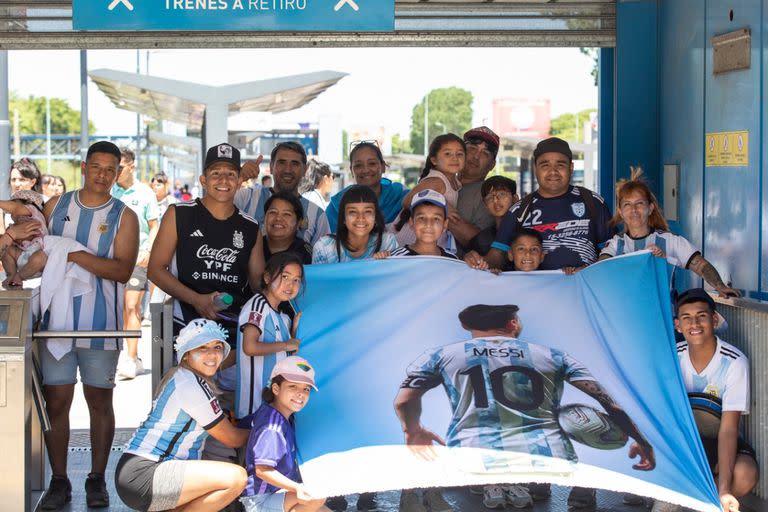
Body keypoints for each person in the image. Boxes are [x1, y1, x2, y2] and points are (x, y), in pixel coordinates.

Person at [393, 304, 655, 511]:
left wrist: (413, 430)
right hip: (548, 458)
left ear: (465, 325)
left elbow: (403, 401)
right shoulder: (553, 355)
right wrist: (640, 440)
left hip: (470, 455)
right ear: (513, 324)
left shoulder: (441, 355)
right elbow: (608, 402)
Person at [38, 140, 139, 510]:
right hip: (55, 325)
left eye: (110, 169)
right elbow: (36, 253)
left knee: (99, 401)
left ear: (118, 172)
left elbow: (122, 270)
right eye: (96, 167)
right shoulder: (55, 206)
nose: (102, 175)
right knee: (57, 402)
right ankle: (59, 480)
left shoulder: (124, 216)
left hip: (102, 325)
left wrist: (72, 253)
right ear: (83, 167)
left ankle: (97, 479)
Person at [115, 319, 250, 512]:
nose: (212, 354)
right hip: (146, 472)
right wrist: (266, 430)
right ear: (186, 355)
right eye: (202, 348)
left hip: (143, 472)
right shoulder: (190, 383)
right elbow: (232, 438)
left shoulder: (185, 376)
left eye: (217, 347)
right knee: (236, 478)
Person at [148, 142, 264, 352]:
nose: (223, 180)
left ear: (239, 181)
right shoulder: (179, 214)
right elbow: (155, 269)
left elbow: (258, 284)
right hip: (186, 325)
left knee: (230, 385)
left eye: (230, 174)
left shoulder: (250, 226)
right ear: (203, 180)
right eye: (216, 173)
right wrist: (197, 300)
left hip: (235, 331)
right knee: (191, 384)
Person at [665, 289, 757, 512]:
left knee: (745, 473)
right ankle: (670, 500)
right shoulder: (671, 357)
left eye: (701, 316)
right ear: (678, 325)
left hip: (718, 441)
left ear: (714, 320)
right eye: (686, 318)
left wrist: (724, 490)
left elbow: (728, 430)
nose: (694, 323)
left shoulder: (734, 363)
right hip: (686, 443)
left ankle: (707, 502)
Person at [474, 137, 613, 272]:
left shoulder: (593, 202)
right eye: (545, 165)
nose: (553, 172)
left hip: (583, 290)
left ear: (571, 168)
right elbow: (497, 255)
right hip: (535, 293)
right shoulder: (519, 210)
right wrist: (477, 262)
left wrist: (591, 269)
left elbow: (612, 252)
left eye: (560, 165)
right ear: (535, 168)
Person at [599, 168, 740, 297]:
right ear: (621, 212)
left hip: (665, 320)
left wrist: (719, 285)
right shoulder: (615, 244)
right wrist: (643, 257)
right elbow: (601, 269)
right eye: (627, 205)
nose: (634, 210)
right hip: (628, 320)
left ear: (650, 208)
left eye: (639, 203)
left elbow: (700, 265)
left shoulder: (670, 240)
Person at [240, 356, 329, 512]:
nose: (300, 394)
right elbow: (262, 470)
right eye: (293, 386)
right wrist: (297, 488)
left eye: (306, 389)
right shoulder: (272, 427)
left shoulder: (275, 412)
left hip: (278, 494)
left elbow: (247, 423)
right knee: (317, 495)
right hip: (260, 501)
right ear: (276, 389)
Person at [236, 252, 304, 420]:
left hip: (276, 409)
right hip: (254, 409)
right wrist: (286, 344)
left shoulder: (284, 317)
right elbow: (250, 347)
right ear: (267, 277)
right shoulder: (258, 304)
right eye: (285, 276)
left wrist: (293, 332)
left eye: (296, 280)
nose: (290, 285)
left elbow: (288, 353)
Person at [112, 147, 160, 380]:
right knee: (117, 308)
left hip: (138, 258)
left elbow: (154, 226)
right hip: (110, 260)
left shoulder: (145, 193)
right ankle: (121, 354)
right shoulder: (108, 192)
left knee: (132, 306)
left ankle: (131, 357)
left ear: (131, 166)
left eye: (119, 167)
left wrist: (149, 251)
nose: (115, 172)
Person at [235, 141, 330, 246]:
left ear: (304, 170)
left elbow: (324, 257)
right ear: (271, 167)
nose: (287, 170)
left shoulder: (318, 215)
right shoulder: (247, 198)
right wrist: (239, 178)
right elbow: (215, 210)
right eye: (281, 162)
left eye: (295, 164)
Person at [396, 134, 465, 251]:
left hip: (430, 239)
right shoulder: (437, 181)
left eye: (460, 154)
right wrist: (445, 206)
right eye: (447, 154)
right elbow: (407, 201)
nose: (455, 158)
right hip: (412, 241)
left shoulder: (454, 181)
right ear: (434, 160)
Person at [325, 141, 409, 233]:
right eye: (358, 165)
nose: (365, 170)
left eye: (372, 163)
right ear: (352, 171)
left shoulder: (400, 196)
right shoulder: (337, 206)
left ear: (383, 166)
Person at [312, 185, 397, 264]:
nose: (360, 218)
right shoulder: (324, 248)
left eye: (368, 212)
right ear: (343, 218)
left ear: (376, 217)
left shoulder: (387, 243)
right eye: (352, 212)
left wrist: (385, 264)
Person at [450, 127, 503, 255]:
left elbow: (480, 242)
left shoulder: (490, 194)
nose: (476, 156)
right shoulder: (440, 181)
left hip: (458, 269)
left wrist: (439, 208)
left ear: (492, 165)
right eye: (472, 148)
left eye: (485, 153)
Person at [386, 189, 458, 260]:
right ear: (411, 223)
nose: (428, 224)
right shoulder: (396, 258)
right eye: (421, 218)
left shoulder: (452, 261)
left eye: (436, 219)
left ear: (445, 225)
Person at [0, 190, 49, 286]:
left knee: (41, 257)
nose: (11, 213)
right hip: (21, 255)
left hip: (36, 257)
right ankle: (12, 274)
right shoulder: (13, 226)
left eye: (12, 204)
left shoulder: (33, 212)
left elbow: (16, 208)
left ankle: (19, 277)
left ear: (28, 203)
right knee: (6, 250)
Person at [463, 175, 519, 257]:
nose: (495, 200)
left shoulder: (526, 231)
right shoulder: (480, 240)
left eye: (502, 194)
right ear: (485, 206)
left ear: (515, 199)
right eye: (489, 197)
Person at [263, 191, 312, 265]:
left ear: (298, 222)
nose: (278, 218)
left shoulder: (305, 254)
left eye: (286, 214)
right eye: (273, 212)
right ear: (264, 218)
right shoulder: (253, 247)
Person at [2, 157, 43, 235]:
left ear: (33, 182)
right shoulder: (5, 207)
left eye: (22, 180)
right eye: (13, 179)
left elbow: (16, 208)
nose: (17, 184)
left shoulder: (43, 201)